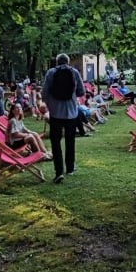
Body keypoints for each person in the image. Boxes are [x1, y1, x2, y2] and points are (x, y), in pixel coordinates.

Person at [42, 53, 85, 183]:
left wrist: (51, 102)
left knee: (55, 142)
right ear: (68, 61)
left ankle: (59, 172)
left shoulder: (51, 72)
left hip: (55, 113)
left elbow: (44, 92)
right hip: (71, 113)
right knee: (70, 141)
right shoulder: (74, 72)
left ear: (57, 62)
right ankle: (70, 168)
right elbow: (81, 92)